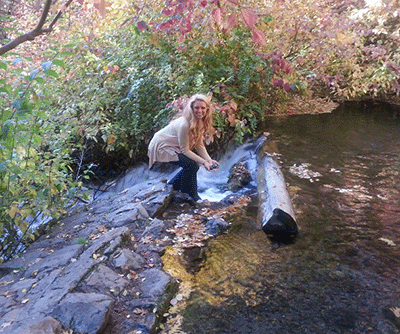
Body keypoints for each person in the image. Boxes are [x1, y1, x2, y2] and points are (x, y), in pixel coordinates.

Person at [148, 93, 219, 201]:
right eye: (196, 108)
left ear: (207, 109)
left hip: (173, 145)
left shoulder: (200, 121)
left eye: (203, 108)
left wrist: (209, 160)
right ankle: (192, 196)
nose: (200, 111)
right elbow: (185, 150)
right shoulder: (185, 124)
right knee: (191, 165)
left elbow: (199, 144)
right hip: (161, 146)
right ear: (191, 108)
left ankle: (173, 187)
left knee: (192, 165)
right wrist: (204, 162)